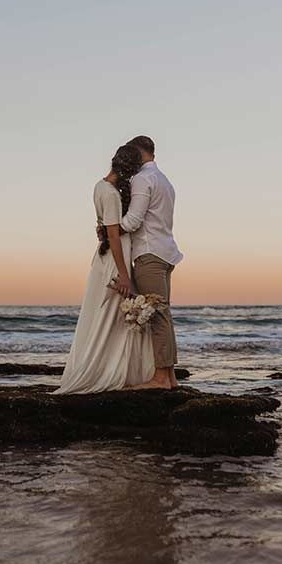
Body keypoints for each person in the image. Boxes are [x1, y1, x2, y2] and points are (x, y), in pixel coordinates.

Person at [55, 144, 155, 394]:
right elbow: (113, 235)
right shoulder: (110, 194)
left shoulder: (100, 186)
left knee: (108, 316)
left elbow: (108, 230)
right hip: (114, 259)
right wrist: (124, 274)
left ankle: (110, 368)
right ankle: (106, 371)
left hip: (108, 256)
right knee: (111, 317)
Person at [120, 136, 183, 390]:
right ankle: (170, 377)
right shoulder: (165, 181)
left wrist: (109, 229)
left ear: (137, 152)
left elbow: (134, 220)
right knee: (163, 314)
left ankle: (160, 378)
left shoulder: (142, 179)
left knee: (157, 315)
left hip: (149, 253)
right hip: (165, 252)